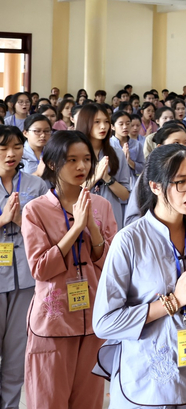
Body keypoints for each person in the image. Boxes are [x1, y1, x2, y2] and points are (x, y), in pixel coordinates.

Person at [92, 143, 186, 407]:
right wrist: (173, 302)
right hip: (149, 373)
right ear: (155, 186)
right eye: (181, 182)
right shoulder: (130, 240)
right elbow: (104, 322)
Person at [21, 130, 117, 409]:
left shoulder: (101, 206)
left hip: (94, 321)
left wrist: (92, 228)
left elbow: (110, 265)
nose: (81, 167)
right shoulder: (35, 211)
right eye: (71, 160)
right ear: (52, 164)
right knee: (48, 399)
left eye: (87, 159)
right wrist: (75, 229)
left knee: (89, 401)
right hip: (53, 322)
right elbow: (40, 268)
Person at [0, 126, 49, 409]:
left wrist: (22, 223)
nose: (11, 154)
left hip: (26, 278)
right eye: (3, 148)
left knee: (17, 353)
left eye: (17, 147)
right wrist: (3, 219)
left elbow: (48, 229)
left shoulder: (35, 185)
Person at [76, 104, 131, 229]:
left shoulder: (117, 154)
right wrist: (95, 177)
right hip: (83, 215)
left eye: (106, 122)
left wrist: (107, 178)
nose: (103, 126)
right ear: (85, 123)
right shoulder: (73, 154)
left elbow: (125, 195)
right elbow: (71, 192)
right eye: (97, 122)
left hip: (111, 216)